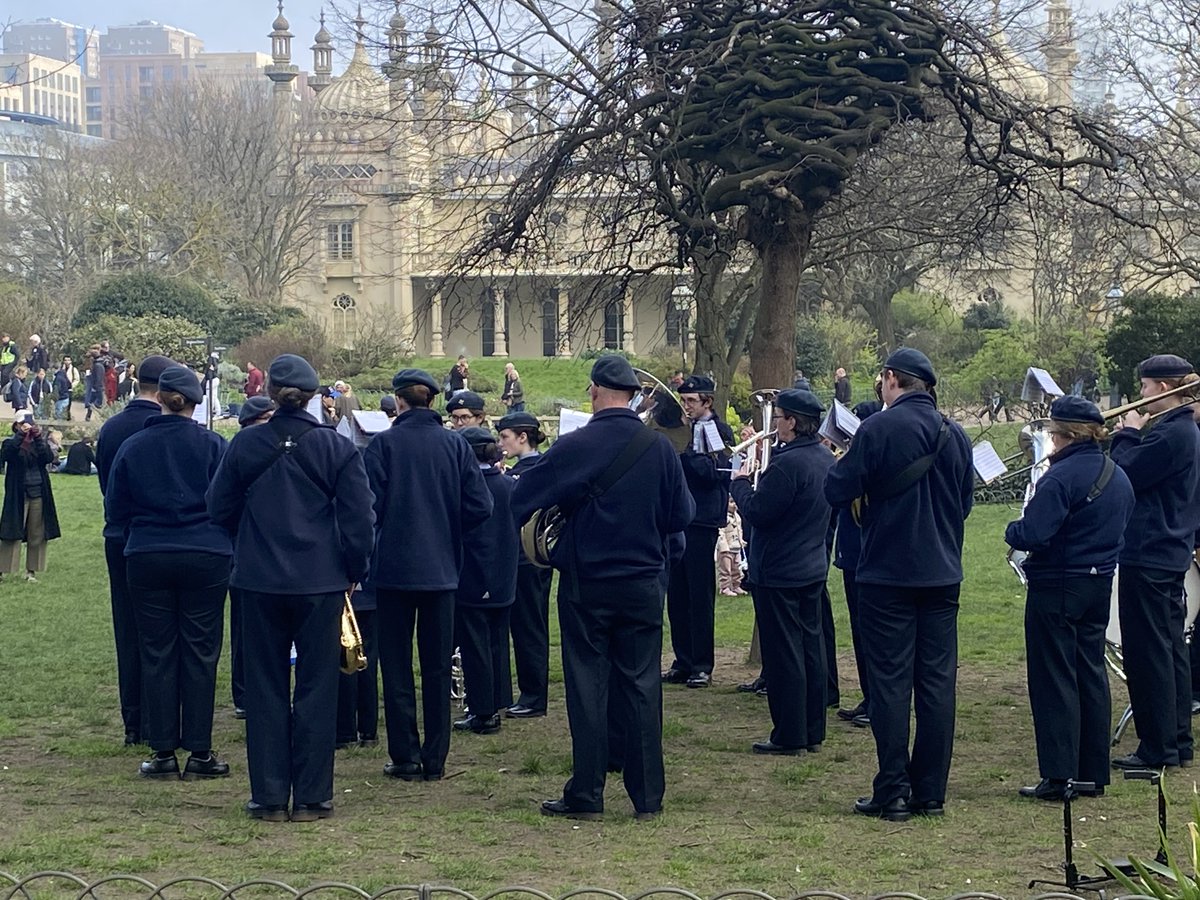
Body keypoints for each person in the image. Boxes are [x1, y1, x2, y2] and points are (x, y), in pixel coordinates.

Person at [511, 355, 695, 820]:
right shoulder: (658, 448)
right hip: (643, 582)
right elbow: (682, 516)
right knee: (643, 684)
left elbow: (522, 498)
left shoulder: (576, 444)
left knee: (587, 685)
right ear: (632, 396)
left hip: (587, 582)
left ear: (594, 391)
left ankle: (587, 793)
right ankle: (647, 796)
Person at [208, 354, 375, 822]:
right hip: (320, 580)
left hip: (259, 578)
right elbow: (359, 518)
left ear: (269, 393)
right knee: (318, 687)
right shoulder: (336, 447)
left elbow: (217, 506)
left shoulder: (245, 444)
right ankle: (312, 796)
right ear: (314, 396)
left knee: (264, 687)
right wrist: (354, 567)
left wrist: (249, 536)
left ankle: (268, 795)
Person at [824, 348, 974, 823]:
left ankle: (892, 790)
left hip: (887, 573)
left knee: (889, 684)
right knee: (937, 684)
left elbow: (836, 488)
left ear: (891, 379)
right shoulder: (956, 434)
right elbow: (965, 504)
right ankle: (930, 790)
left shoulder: (877, 428)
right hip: (942, 573)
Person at [364, 369, 493, 783]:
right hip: (441, 569)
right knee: (437, 666)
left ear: (399, 402)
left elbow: (368, 507)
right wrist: (448, 528)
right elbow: (480, 505)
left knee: (396, 665)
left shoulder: (383, 445)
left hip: (394, 570)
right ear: (433, 402)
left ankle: (404, 754)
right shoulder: (454, 446)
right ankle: (435, 756)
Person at [104, 365, 232, 780]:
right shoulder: (214, 446)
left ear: (159, 398)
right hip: (205, 553)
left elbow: (116, 508)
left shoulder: (134, 446)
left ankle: (161, 751)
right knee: (201, 650)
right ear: (195, 403)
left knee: (156, 650)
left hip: (148, 553)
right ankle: (199, 750)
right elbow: (230, 501)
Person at [1004, 396, 1135, 800]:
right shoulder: (1117, 474)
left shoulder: (1060, 477)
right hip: (1099, 582)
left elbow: (1033, 533)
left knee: (1054, 679)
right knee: (1090, 674)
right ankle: (1092, 773)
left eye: (1053, 433)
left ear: (1065, 435)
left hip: (1058, 583)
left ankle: (1059, 775)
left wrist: (1012, 529)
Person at [1109, 354, 1200, 770]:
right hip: (1169, 550)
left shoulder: (1172, 433)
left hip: (1149, 551)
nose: (1140, 394)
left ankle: (1156, 747)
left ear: (1163, 388)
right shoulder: (1183, 429)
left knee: (1148, 653)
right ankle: (1178, 741)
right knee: (1170, 647)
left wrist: (1127, 434)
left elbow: (1126, 473)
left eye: (1144, 386)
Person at [731, 389, 834, 755]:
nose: (774, 425)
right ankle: (812, 731)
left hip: (779, 571)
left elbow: (759, 512)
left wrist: (740, 485)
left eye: (777, 418)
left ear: (791, 421)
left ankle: (789, 734)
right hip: (811, 566)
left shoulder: (788, 465)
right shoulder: (825, 458)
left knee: (784, 654)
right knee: (811, 649)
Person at [95, 355, 173, 746]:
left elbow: (106, 485)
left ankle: (134, 719)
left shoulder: (112, 428)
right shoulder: (169, 427)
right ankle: (165, 716)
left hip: (120, 534)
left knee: (127, 628)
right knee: (164, 631)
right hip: (162, 535)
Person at [663, 375, 734, 689]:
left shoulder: (720, 431)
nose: (686, 406)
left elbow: (715, 473)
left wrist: (687, 454)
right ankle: (683, 660)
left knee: (699, 595)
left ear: (707, 401)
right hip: (678, 519)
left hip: (702, 520)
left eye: (691, 401)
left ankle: (702, 664)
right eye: (683, 400)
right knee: (677, 594)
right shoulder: (681, 431)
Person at [453, 426, 519, 734]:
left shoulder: (467, 489)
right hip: (504, 575)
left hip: (474, 575)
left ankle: (483, 710)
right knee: (497, 640)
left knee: (475, 643)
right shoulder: (509, 484)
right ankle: (499, 698)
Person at [834, 385, 886, 728]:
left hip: (863, 557)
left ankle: (876, 700)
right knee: (859, 632)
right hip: (852, 557)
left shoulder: (867, 464)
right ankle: (869, 696)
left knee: (871, 635)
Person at [497, 411, 553, 718]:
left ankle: (533, 695)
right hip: (528, 557)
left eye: (505, 437)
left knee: (529, 626)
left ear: (523, 437)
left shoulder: (533, 471)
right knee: (526, 625)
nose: (501, 443)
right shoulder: (527, 469)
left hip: (527, 557)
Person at [0, 410, 59, 583]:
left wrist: (38, 438)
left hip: (38, 492)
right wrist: (20, 436)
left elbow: (48, 458)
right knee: (12, 531)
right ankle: (3, 569)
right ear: (16, 425)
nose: (27, 427)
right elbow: (6, 455)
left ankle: (31, 571)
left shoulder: (38, 443)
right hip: (18, 493)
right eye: (22, 424)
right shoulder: (10, 443)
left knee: (37, 533)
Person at [717, 498, 745, 596]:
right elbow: (721, 532)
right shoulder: (723, 517)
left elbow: (739, 530)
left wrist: (741, 541)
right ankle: (725, 587)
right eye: (731, 502)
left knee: (737, 568)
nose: (734, 505)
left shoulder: (737, 517)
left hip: (736, 547)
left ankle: (736, 585)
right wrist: (723, 545)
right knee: (726, 569)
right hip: (726, 548)